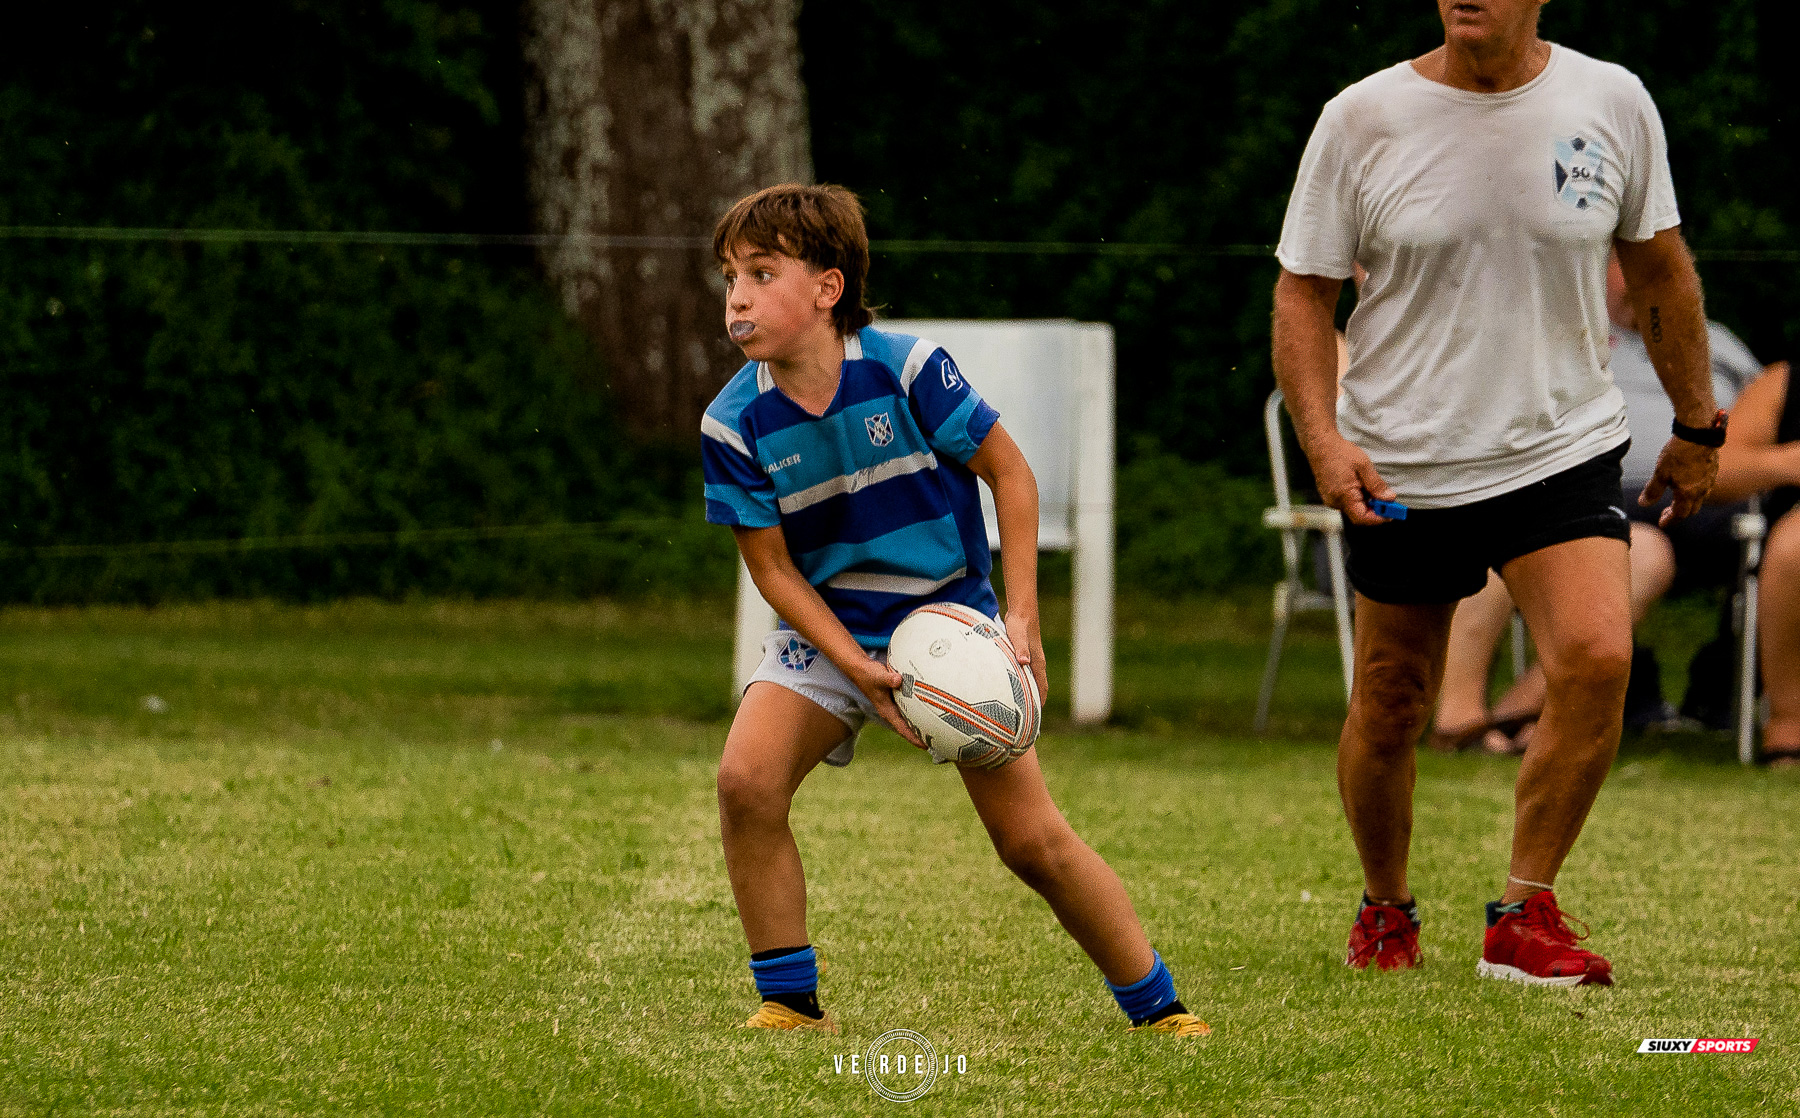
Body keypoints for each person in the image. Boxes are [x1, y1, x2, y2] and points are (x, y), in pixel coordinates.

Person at [1271, 0, 1720, 986]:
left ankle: (1523, 914)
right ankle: (1386, 903)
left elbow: (1659, 271)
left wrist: (1697, 425)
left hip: (1561, 444)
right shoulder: (1361, 117)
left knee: (1597, 655)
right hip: (1406, 459)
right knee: (1392, 701)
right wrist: (1324, 439)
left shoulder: (1611, 100)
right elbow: (1304, 292)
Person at [700, 183, 1208, 1036]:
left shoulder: (907, 370)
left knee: (1032, 844)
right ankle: (790, 1004)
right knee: (745, 784)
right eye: (728, 278)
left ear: (827, 288)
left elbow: (1011, 472)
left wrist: (1021, 616)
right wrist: (853, 663)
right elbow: (775, 573)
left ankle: (1160, 1009)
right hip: (828, 632)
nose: (737, 298)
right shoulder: (730, 422)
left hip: (948, 625)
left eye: (760, 273)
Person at [1431, 253, 1767, 753]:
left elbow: (1763, 419)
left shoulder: (1717, 344)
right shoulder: (1566, 336)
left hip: (1708, 504)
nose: (1640, 280)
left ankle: (1519, 710)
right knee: (1617, 548)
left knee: (1647, 548)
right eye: (1624, 264)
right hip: (1587, 493)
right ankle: (1462, 714)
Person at [1705, 358, 1800, 765]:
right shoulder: (1785, 382)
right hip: (1792, 538)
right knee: (1795, 545)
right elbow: (1715, 469)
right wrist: (1787, 462)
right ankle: (1790, 721)